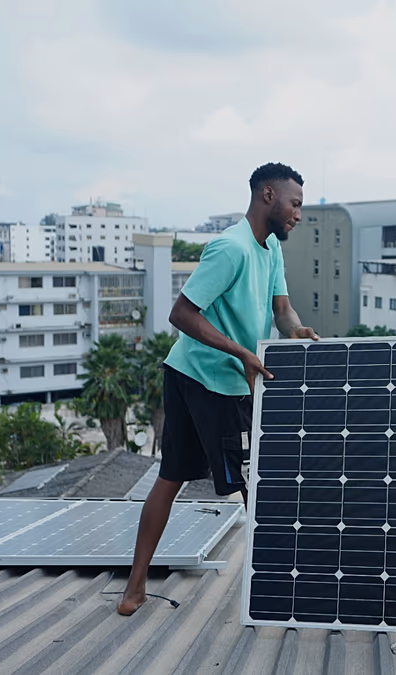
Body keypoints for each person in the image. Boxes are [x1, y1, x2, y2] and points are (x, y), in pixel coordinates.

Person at [117, 162, 318, 616]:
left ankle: (278, 582)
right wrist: (241, 353)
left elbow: (281, 309)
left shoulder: (269, 250)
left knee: (241, 481)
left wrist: (297, 330)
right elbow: (182, 315)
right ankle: (137, 586)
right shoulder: (230, 248)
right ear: (268, 195)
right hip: (200, 380)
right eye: (295, 204)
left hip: (223, 379)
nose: (298, 215)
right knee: (220, 481)